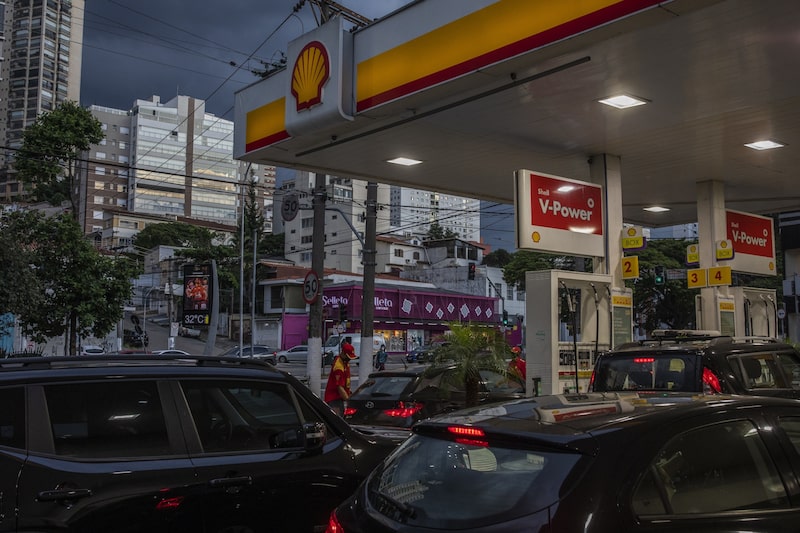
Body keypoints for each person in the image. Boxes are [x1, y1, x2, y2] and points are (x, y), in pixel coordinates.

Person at [324, 342, 357, 416]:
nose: (350, 359)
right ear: (344, 354)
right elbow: (339, 387)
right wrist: (348, 400)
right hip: (334, 399)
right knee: (337, 421)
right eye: (349, 357)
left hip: (339, 398)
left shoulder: (344, 362)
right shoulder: (339, 367)